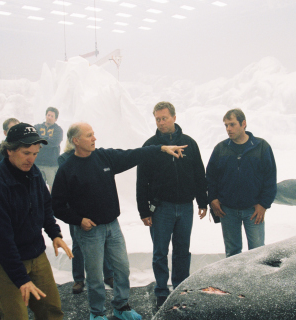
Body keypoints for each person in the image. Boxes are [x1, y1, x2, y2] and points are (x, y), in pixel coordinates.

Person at [52, 122, 186, 320]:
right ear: (76, 141)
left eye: (93, 134)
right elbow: (57, 206)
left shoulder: (104, 157)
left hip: (112, 226)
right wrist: (78, 220)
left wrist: (161, 148)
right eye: (89, 135)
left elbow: (133, 154)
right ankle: (97, 314)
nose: (94, 138)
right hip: (90, 231)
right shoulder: (67, 169)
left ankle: (121, 307)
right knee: (96, 277)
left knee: (122, 269)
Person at [0, 123, 73, 320]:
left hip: (36, 254)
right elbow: (0, 240)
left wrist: (54, 233)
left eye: (36, 153)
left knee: (52, 310)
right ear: (9, 150)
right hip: (6, 260)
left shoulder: (34, 173)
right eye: (26, 153)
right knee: (16, 316)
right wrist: (21, 279)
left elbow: (45, 204)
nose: (32, 159)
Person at [136, 101, 208, 308]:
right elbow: (142, 181)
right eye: (157, 119)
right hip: (161, 208)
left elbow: (198, 173)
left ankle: (179, 288)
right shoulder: (150, 146)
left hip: (186, 206)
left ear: (174, 118)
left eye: (164, 118)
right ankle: (161, 290)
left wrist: (202, 201)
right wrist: (143, 211)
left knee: (182, 251)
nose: (160, 123)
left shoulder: (189, 143)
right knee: (160, 252)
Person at [206, 108, 277, 258]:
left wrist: (264, 204)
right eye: (226, 125)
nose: (228, 129)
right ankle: (234, 282)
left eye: (232, 124)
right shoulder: (221, 148)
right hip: (227, 210)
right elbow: (210, 176)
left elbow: (270, 178)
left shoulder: (261, 147)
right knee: (232, 253)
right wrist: (212, 199)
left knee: (257, 253)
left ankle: (256, 282)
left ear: (243, 123)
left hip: (254, 210)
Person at [58, 142, 114, 294]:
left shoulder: (93, 156)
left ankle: (108, 275)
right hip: (75, 211)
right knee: (77, 244)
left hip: (96, 209)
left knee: (102, 242)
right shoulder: (64, 159)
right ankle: (78, 279)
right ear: (75, 141)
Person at [35, 107, 63, 191]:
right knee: (38, 188)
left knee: (54, 188)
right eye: (48, 115)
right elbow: (33, 140)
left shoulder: (58, 130)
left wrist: (41, 139)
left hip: (52, 164)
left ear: (56, 119)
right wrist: (47, 139)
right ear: (45, 115)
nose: (49, 117)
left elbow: (54, 142)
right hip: (37, 163)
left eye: (52, 116)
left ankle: (53, 204)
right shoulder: (36, 127)